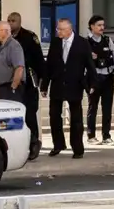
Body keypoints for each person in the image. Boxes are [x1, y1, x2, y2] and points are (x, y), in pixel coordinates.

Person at [40, 18, 97, 159]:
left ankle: (77, 148)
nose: (58, 31)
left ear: (69, 29)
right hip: (57, 84)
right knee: (54, 116)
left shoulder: (82, 43)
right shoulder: (55, 42)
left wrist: (92, 85)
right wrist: (44, 85)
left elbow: (90, 66)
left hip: (75, 84)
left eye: (60, 29)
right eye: (57, 29)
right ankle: (58, 144)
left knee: (76, 119)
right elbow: (49, 65)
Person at [6, 12, 46, 160]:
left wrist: (42, 81)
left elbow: (39, 60)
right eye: (9, 20)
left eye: (13, 21)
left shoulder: (29, 37)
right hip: (11, 82)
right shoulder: (6, 38)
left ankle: (34, 144)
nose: (10, 23)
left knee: (29, 114)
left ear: (19, 22)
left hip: (28, 82)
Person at [85, 15, 114, 145]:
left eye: (103, 25)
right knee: (93, 107)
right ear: (92, 26)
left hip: (108, 78)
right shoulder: (86, 42)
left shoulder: (108, 40)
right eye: (99, 25)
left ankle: (106, 136)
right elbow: (81, 61)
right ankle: (91, 136)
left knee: (107, 108)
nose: (102, 28)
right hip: (94, 78)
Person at [0, 20, 25, 104]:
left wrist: (13, 87)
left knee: (11, 115)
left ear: (5, 31)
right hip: (4, 88)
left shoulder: (14, 46)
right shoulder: (2, 46)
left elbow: (19, 68)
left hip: (10, 89)